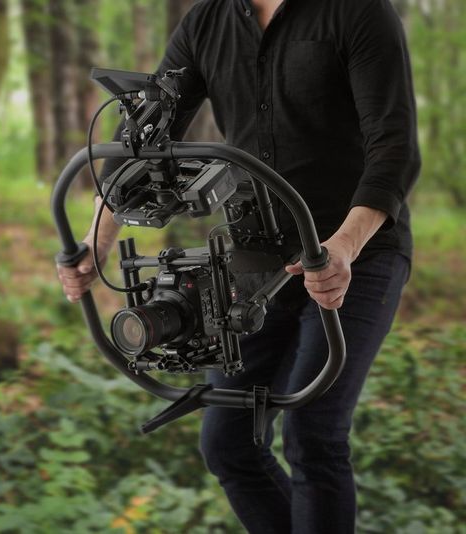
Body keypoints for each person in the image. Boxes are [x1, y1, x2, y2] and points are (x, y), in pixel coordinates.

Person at [56, 0, 420, 532]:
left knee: (313, 434)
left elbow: (394, 149)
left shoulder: (358, 11)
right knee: (227, 443)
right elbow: (143, 134)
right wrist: (97, 241)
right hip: (256, 255)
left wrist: (343, 244)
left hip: (355, 249)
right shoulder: (206, 21)